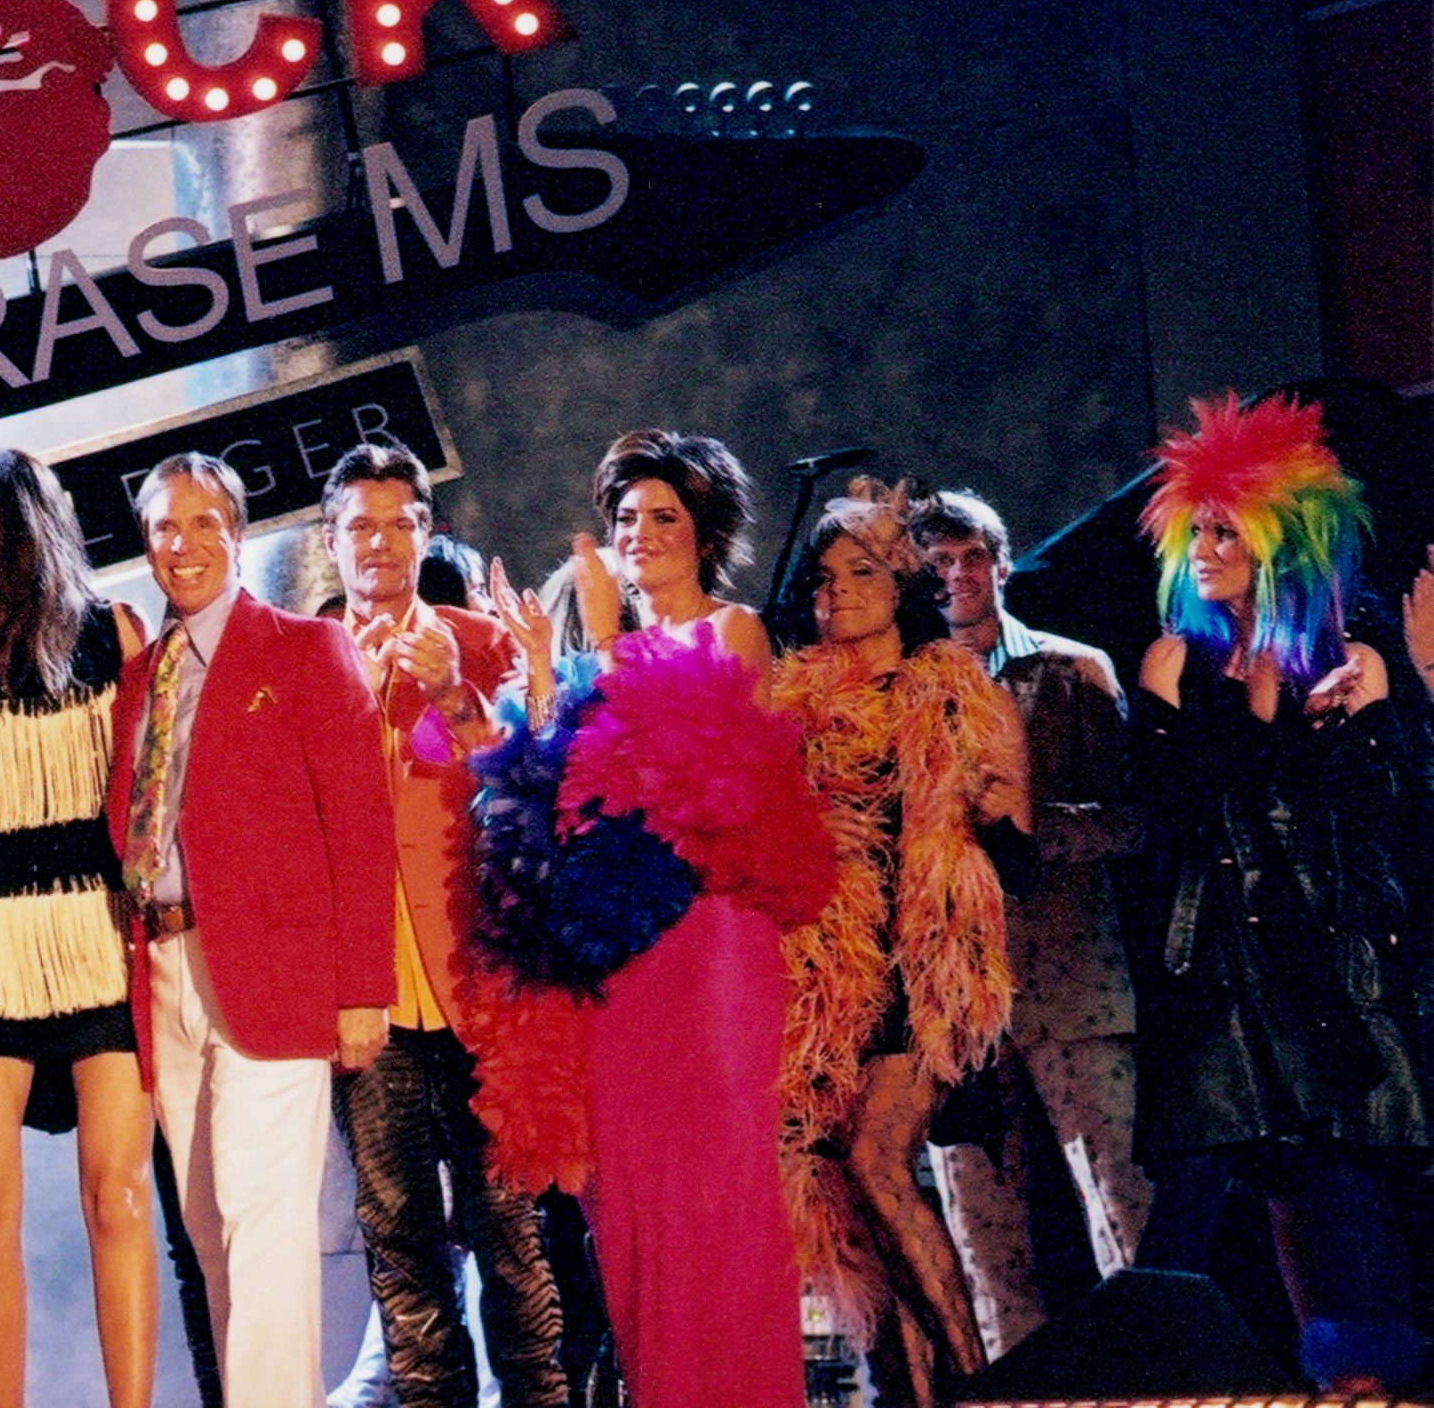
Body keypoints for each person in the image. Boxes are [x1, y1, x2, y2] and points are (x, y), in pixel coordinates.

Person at [474, 431, 829, 1408]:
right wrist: (541, 665)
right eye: (625, 516)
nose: (639, 533)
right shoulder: (600, 656)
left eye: (663, 515)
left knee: (720, 1199)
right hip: (618, 972)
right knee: (630, 1209)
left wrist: (598, 642)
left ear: (705, 533)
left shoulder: (734, 632)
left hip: (709, 951)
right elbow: (555, 794)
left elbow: (689, 782)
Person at [1125, 392, 1429, 1394]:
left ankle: (1365, 1382)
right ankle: (1148, 1376)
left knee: (1341, 1177)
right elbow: (1170, 813)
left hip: (1326, 964)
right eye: (1195, 531)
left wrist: (1351, 727)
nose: (1203, 551)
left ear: (1278, 543)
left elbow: (1388, 822)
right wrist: (1263, 724)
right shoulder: (1175, 660)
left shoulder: (1353, 661)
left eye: (1226, 532)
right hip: (1219, 966)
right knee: (1197, 1183)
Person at [104, 451, 395, 1408]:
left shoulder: (304, 649)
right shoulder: (141, 679)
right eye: (164, 527)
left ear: (236, 534)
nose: (182, 545)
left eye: (203, 524)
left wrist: (364, 989)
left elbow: (360, 827)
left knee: (261, 1219)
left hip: (276, 972)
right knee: (212, 1237)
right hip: (164, 970)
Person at [767, 481, 1030, 1408]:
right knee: (842, 1197)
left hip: (925, 964)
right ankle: (912, 1391)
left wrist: (982, 812)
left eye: (862, 572)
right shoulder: (785, 710)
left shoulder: (955, 690)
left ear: (901, 585)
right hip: (827, 979)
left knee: (878, 1162)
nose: (837, 590)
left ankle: (978, 1386)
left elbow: (1021, 849)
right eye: (824, 576)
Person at [312, 443, 562, 1408]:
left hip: (478, 984)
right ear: (330, 540)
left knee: (511, 1238)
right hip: (366, 998)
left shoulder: (481, 640)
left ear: (428, 532)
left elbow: (538, 789)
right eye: (360, 526)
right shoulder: (303, 657)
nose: (380, 543)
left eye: (400, 523)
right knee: (402, 1246)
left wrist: (458, 693)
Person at [0, 451, 154, 1408]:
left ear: (2, 542)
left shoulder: (117, 632)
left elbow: (148, 793)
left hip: (100, 940)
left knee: (117, 1197)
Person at [909, 490, 1148, 1358]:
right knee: (984, 1239)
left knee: (1122, 1207)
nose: (957, 576)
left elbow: (1137, 818)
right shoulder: (905, 688)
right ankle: (1014, 1388)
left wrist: (1025, 833)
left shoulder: (1074, 670)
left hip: (1072, 981)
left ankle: (1155, 1379)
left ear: (1003, 564)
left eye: (971, 557)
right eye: (937, 564)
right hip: (959, 1002)